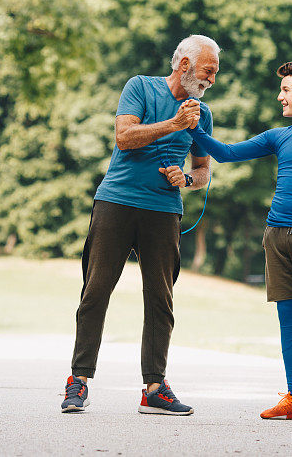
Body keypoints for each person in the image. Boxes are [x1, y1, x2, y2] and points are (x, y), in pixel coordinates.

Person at [186, 59, 292, 423]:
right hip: (276, 235)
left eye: (286, 89)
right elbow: (226, 154)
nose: (280, 95)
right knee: (287, 318)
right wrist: (195, 128)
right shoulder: (278, 137)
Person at [61, 35, 220, 415]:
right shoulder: (140, 87)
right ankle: (78, 381)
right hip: (117, 200)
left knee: (160, 299)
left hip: (164, 209)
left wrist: (187, 180)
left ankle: (154, 388)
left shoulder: (203, 113)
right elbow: (124, 137)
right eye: (207, 71)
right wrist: (173, 123)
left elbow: (203, 171)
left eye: (215, 74)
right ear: (183, 64)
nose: (211, 80)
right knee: (96, 291)